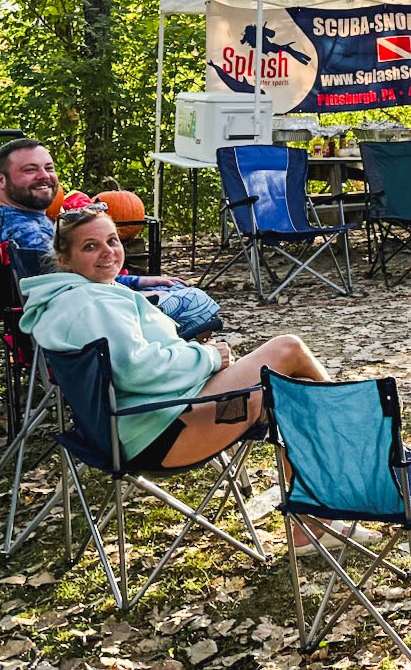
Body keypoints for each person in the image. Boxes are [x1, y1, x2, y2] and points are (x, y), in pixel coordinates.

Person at [19, 201, 327, 471]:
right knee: (288, 349)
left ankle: (312, 520)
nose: (107, 252)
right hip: (161, 432)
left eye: (112, 240)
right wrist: (207, 356)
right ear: (65, 260)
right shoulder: (95, 303)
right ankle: (356, 424)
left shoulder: (75, 297)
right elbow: (137, 369)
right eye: (90, 246)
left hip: (148, 421)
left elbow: (131, 363)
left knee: (289, 396)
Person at [0, 139, 181, 292]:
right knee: (193, 302)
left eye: (49, 168)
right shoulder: (28, 235)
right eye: (30, 170)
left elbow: (83, 277)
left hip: (96, 305)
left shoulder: (21, 221)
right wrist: (139, 295)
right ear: (1, 181)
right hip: (92, 327)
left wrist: (139, 281)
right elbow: (78, 292)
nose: (44, 176)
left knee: (177, 291)